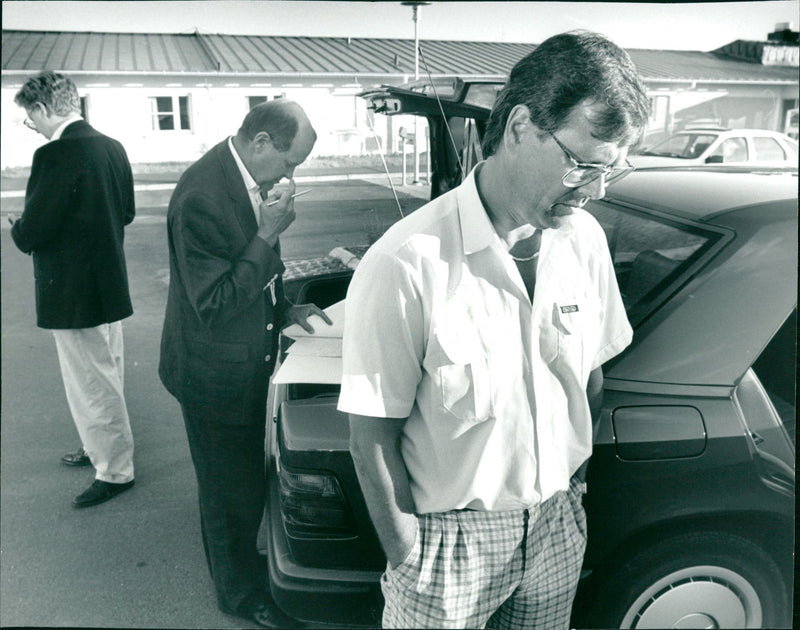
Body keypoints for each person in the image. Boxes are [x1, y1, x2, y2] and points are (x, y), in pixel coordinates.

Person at [338, 31, 649, 629]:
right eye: (583, 165)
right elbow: (370, 435)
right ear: (519, 128)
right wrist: (409, 558)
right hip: (446, 549)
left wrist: (572, 492)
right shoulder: (407, 262)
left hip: (557, 525)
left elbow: (589, 377)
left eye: (613, 170)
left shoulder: (585, 242)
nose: (595, 192)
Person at [158, 100, 328, 629]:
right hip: (212, 372)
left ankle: (242, 568)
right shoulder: (201, 196)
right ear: (260, 144)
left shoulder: (239, 177)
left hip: (241, 359)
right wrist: (268, 233)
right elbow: (214, 301)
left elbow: (247, 272)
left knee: (243, 481)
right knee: (226, 490)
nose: (291, 175)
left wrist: (285, 308)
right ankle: (237, 596)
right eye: (290, 162)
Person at [10, 71, 137, 509]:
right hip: (108, 284)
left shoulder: (55, 155)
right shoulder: (113, 147)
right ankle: (98, 446)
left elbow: (34, 231)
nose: (34, 127)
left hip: (72, 291)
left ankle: (115, 470)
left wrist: (18, 229)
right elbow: (127, 212)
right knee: (107, 375)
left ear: (44, 109)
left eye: (31, 119)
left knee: (90, 383)